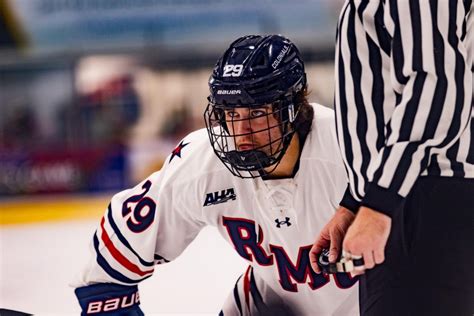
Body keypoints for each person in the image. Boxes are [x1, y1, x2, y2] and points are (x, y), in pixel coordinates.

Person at [72, 34, 360, 315]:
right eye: (232, 114)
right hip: (265, 307)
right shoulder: (202, 163)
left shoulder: (351, 151)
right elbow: (112, 260)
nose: (241, 133)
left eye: (256, 113)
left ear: (293, 108)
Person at [311, 1, 473, 315]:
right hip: (411, 198)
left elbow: (435, 86)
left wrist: (379, 203)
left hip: (423, 202)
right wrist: (357, 200)